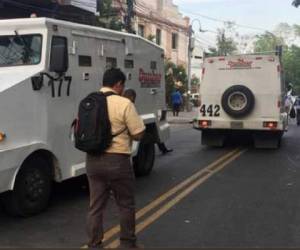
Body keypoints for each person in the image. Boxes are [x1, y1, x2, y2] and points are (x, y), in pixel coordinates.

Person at [86, 69, 145, 248]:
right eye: (123, 85)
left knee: (95, 206)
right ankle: (127, 243)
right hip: (117, 161)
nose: (123, 88)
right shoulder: (124, 103)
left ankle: (94, 244)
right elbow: (138, 133)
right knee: (125, 204)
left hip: (93, 161)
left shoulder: (89, 101)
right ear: (118, 84)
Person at [124, 89, 173, 155]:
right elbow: (138, 133)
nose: (134, 101)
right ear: (131, 97)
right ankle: (163, 148)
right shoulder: (129, 106)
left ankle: (163, 148)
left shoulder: (121, 105)